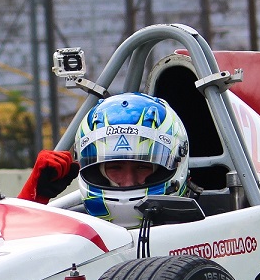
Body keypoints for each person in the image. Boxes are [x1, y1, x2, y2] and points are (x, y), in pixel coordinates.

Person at [17, 92, 190, 229]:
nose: (128, 182)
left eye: (142, 167)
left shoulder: (207, 229)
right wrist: (33, 198)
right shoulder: (74, 231)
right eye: (115, 167)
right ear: (94, 170)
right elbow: (9, 250)